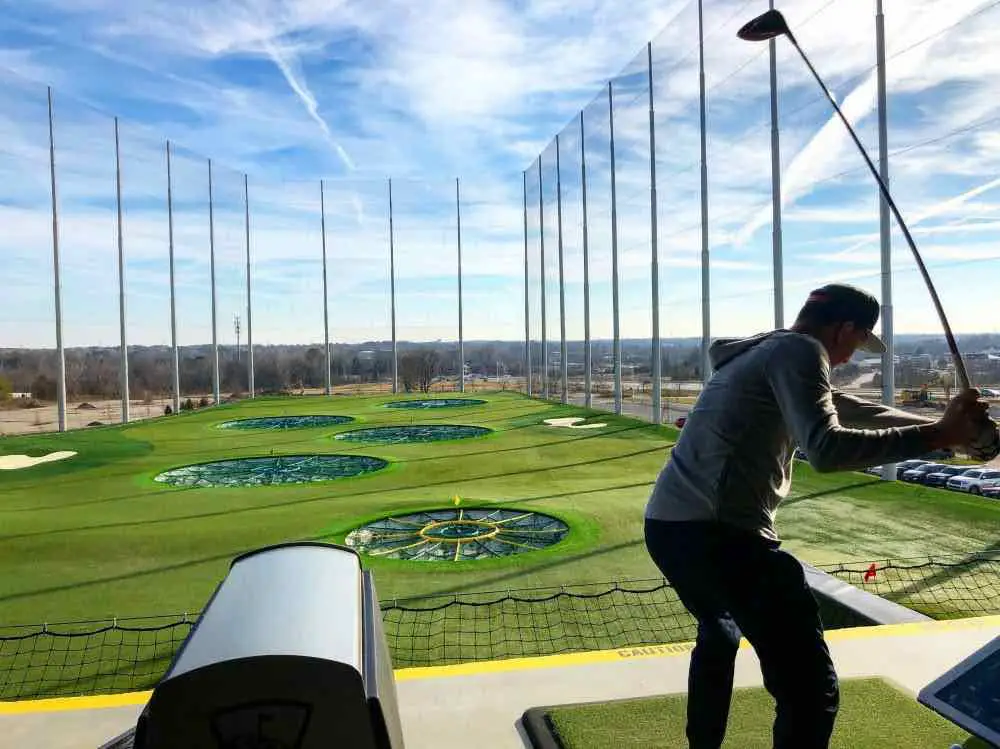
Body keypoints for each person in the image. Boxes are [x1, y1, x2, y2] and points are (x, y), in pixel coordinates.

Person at [643, 282, 999, 749]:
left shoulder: (767, 351)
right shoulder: (801, 351)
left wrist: (949, 432)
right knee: (811, 690)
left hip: (670, 528)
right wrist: (939, 436)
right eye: (854, 343)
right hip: (719, 535)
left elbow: (856, 409)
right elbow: (827, 450)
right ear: (844, 328)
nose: (851, 358)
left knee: (719, 633)